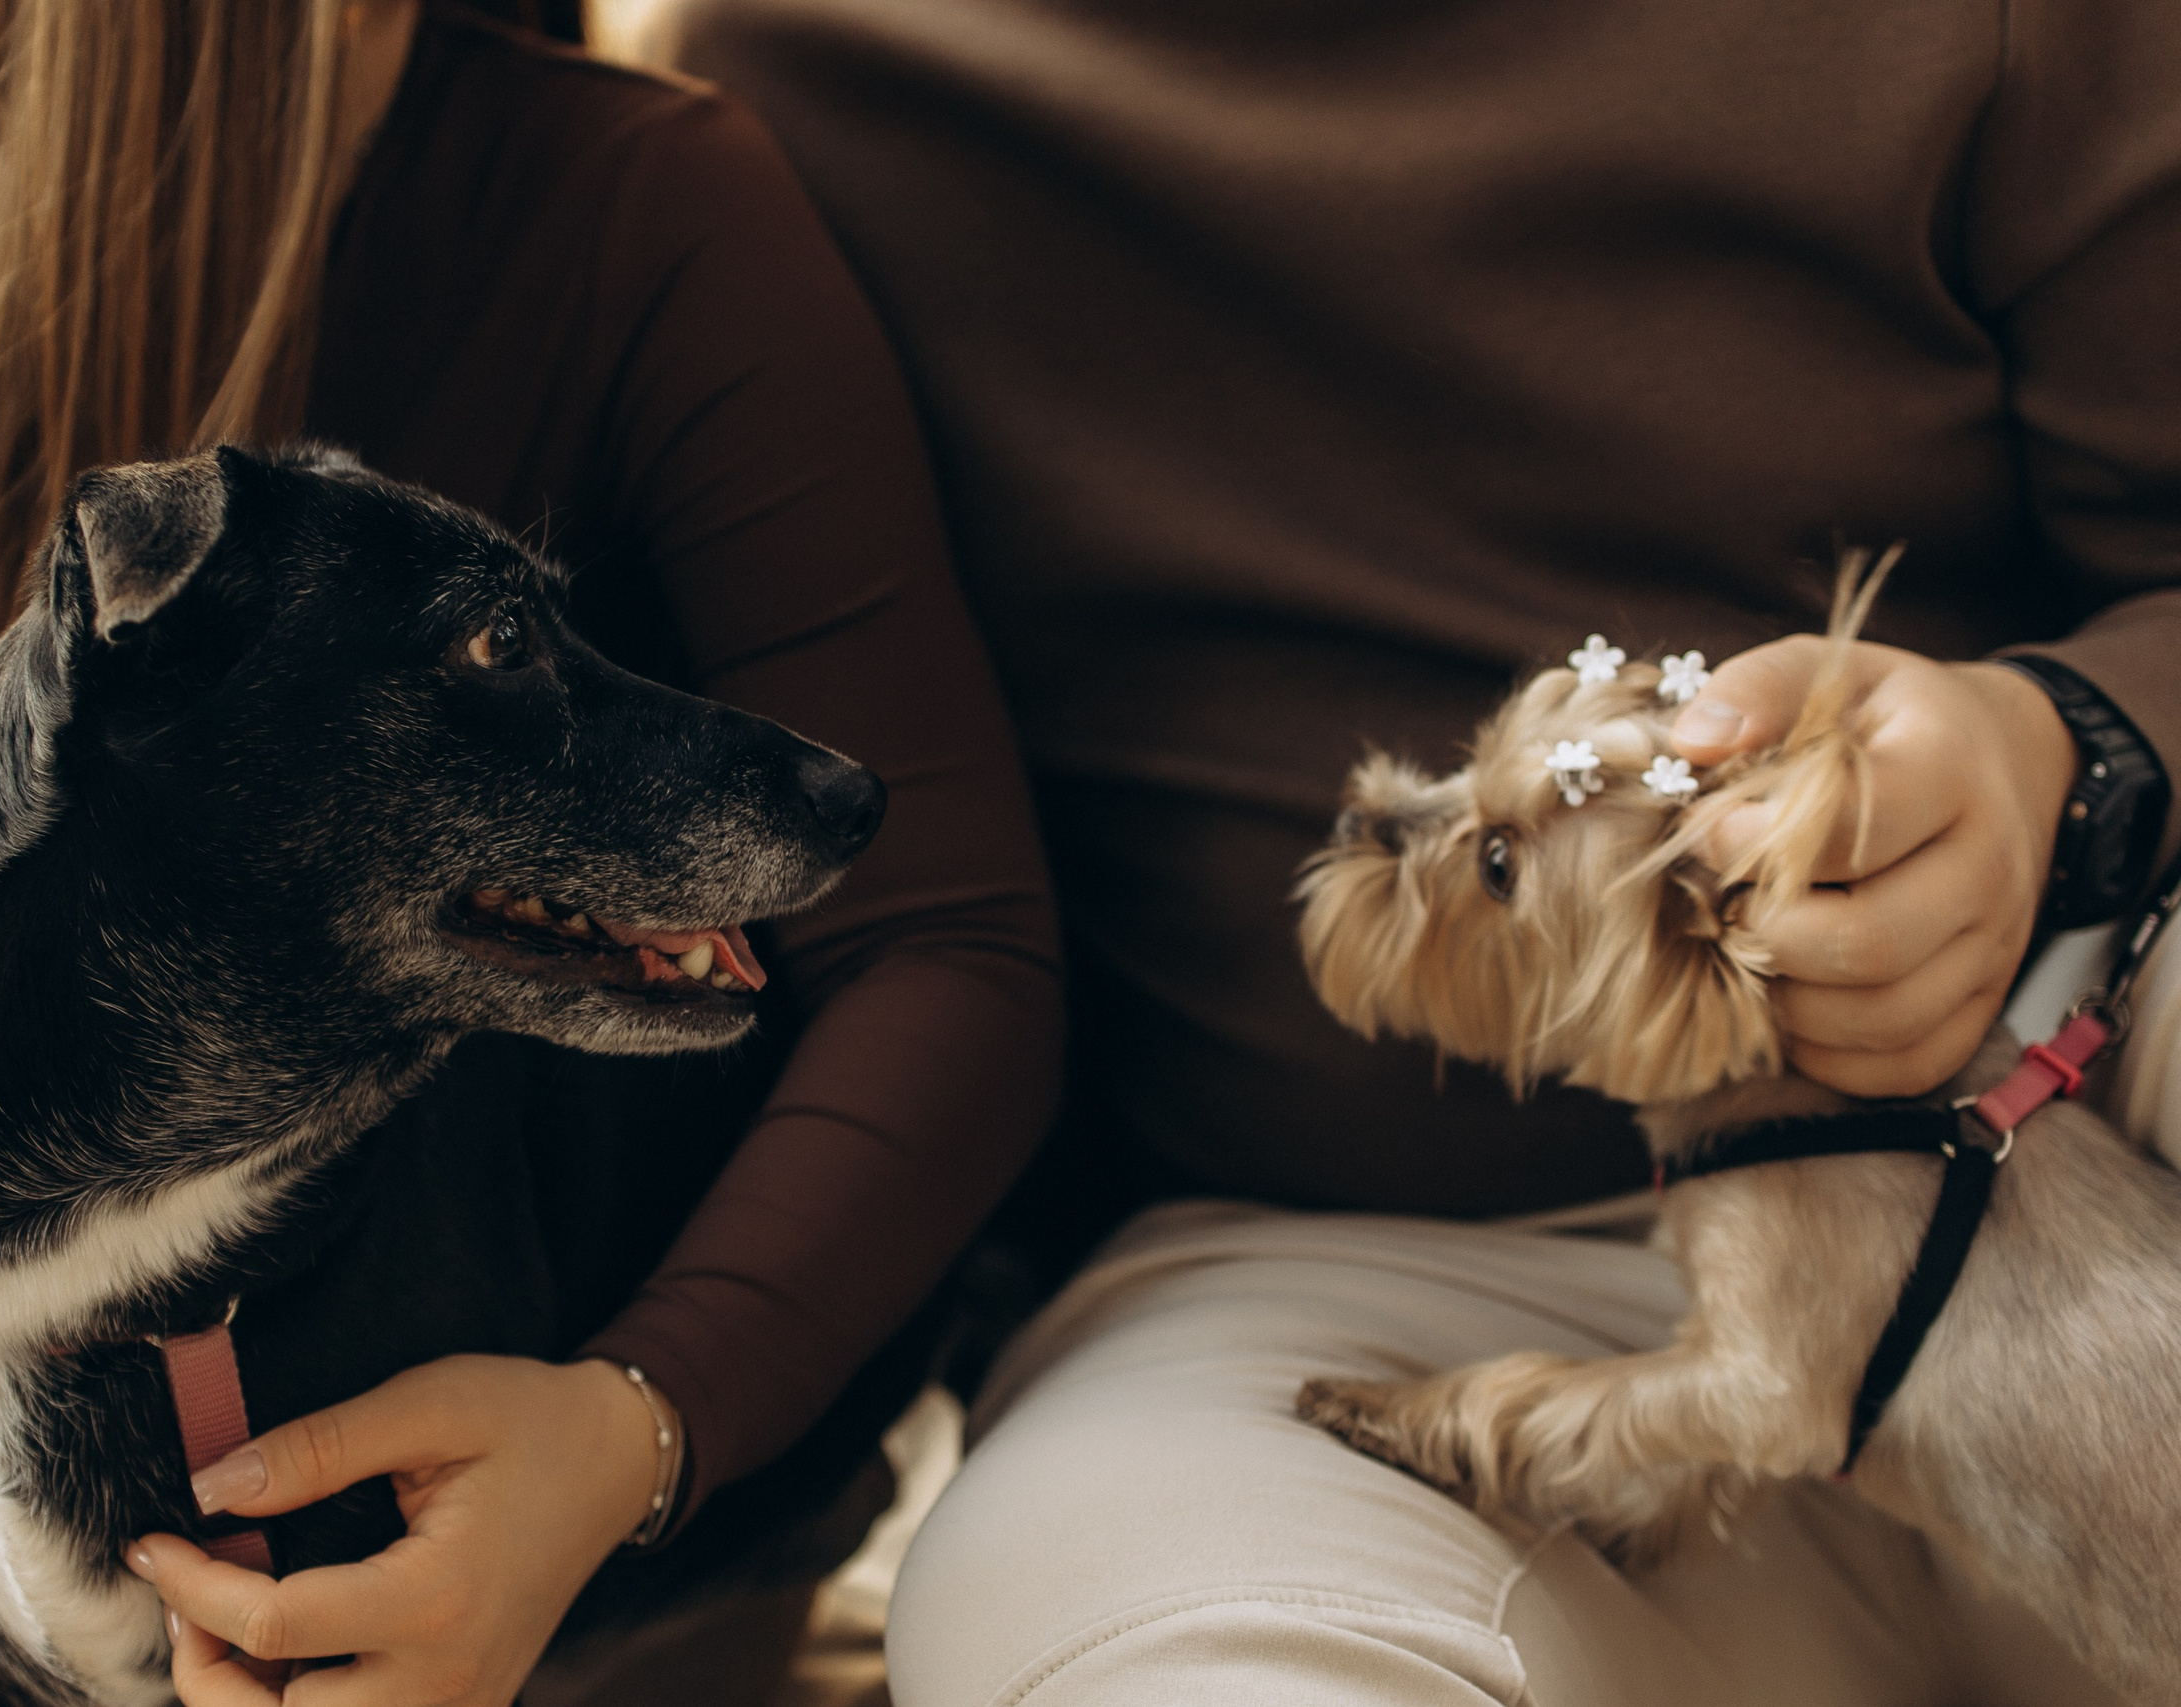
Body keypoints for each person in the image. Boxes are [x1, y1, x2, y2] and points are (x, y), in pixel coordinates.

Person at [634, 0, 2181, 1700]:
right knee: (1172, 1653)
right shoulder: (784, 78)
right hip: (1319, 1271)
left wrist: (2064, 748)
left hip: (2091, 1084)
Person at [0, 4, 1062, 1704]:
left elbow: (949, 951)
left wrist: (637, 1429)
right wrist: (20, 1017)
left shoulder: (633, 189)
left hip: (524, 1515)